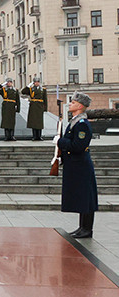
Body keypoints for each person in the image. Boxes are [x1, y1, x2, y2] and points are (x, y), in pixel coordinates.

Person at [55, 92, 98, 239]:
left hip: (81, 166)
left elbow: (78, 146)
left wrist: (60, 142)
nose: (70, 104)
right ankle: (82, 227)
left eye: (73, 102)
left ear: (80, 106)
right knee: (82, 197)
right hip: (76, 165)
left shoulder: (82, 124)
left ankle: (87, 229)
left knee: (86, 197)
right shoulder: (75, 121)